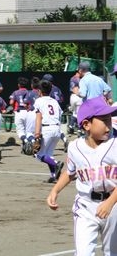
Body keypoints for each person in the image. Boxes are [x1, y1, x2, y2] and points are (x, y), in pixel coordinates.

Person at [46, 96, 117, 255]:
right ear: (86, 125)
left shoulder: (115, 144)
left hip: (114, 205)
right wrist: (55, 190)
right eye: (104, 121)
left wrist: (110, 202)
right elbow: (70, 171)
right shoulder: (75, 147)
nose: (109, 125)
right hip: (85, 205)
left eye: (109, 120)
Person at [33, 79, 64, 184]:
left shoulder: (39, 101)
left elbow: (38, 118)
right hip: (57, 129)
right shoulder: (54, 101)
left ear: (39, 91)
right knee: (48, 154)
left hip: (47, 129)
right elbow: (60, 114)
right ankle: (54, 175)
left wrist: (37, 135)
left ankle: (56, 164)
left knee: (38, 155)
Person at [9, 77, 30, 148]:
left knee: (20, 131)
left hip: (19, 112)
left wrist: (13, 106)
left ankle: (26, 142)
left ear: (19, 85)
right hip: (28, 112)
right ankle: (26, 144)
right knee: (27, 130)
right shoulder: (29, 92)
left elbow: (11, 102)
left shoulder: (15, 92)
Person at [68, 69, 83, 138]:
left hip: (72, 97)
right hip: (78, 96)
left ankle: (71, 125)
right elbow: (76, 89)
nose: (80, 73)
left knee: (74, 112)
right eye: (79, 72)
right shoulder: (78, 79)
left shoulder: (72, 78)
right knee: (79, 113)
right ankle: (79, 130)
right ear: (77, 72)